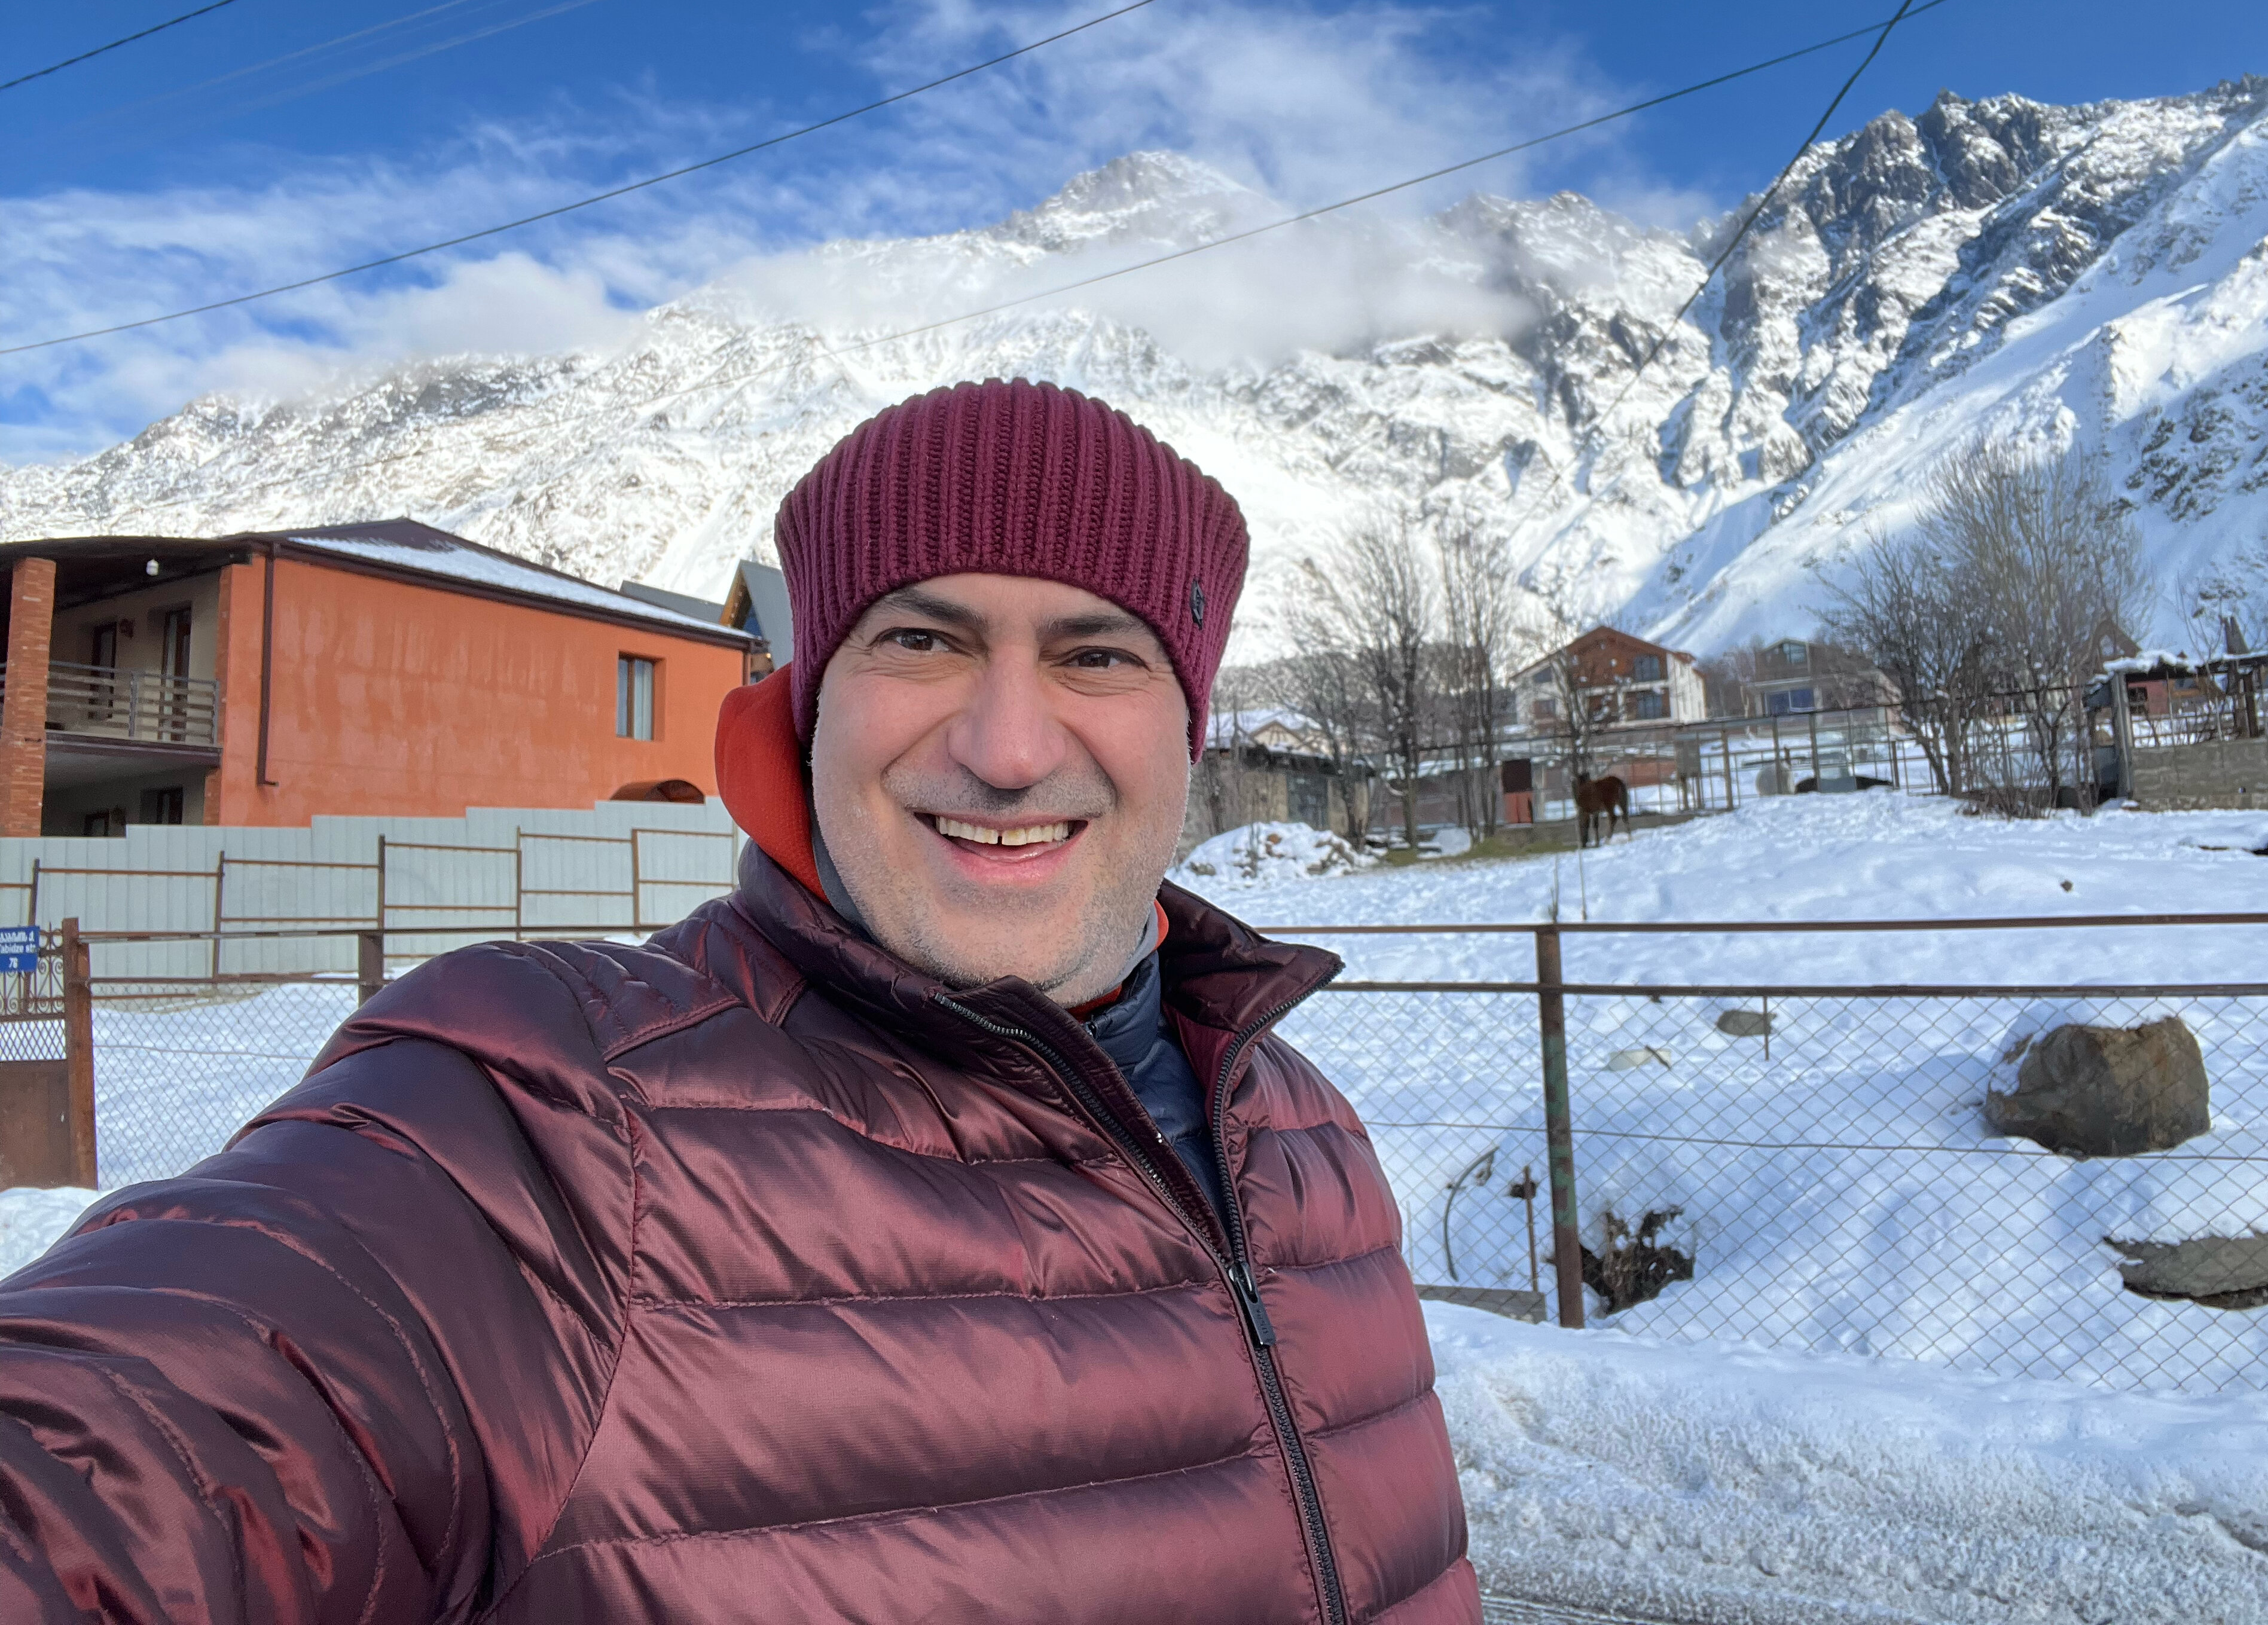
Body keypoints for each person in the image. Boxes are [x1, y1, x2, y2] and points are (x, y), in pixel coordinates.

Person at [0, 379, 1476, 1624]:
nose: (1013, 747)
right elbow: (118, 1465)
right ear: (807, 706)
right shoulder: (548, 1128)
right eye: (923, 639)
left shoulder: (1308, 1144)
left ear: (1188, 723)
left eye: (1098, 654)